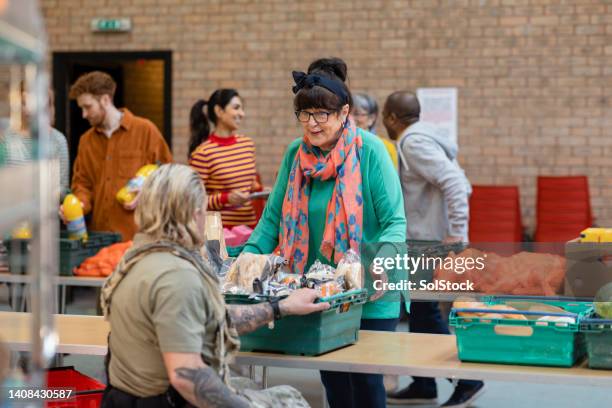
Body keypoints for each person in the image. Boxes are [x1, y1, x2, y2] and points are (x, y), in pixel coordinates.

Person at [242, 57, 407, 408]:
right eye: (305, 114)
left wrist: (380, 263)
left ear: (344, 112)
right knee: (333, 382)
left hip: (370, 290)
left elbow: (395, 222)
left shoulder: (371, 152)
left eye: (323, 114)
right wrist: (242, 263)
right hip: (318, 290)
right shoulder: (295, 154)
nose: (313, 124)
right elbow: (272, 221)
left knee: (366, 385)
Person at [100, 163, 328, 408]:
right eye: (203, 209)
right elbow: (187, 377)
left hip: (127, 398)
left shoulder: (137, 257)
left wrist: (281, 307)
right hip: (163, 401)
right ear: (193, 214)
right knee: (290, 400)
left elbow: (207, 319)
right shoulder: (175, 276)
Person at [382, 91, 484, 408]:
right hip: (425, 241)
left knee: (426, 315)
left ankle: (467, 380)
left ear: (391, 119)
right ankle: (424, 382)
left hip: (432, 243)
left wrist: (456, 235)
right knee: (419, 313)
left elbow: (454, 182)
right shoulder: (422, 138)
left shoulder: (413, 142)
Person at [66, 71, 172, 241]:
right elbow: (82, 184)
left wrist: (146, 191)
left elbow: (170, 175)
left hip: (138, 237)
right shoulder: (86, 141)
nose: (84, 115)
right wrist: (78, 206)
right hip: (98, 239)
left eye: (88, 107)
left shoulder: (145, 130)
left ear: (105, 100)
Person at [188, 90, 260, 228]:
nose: (242, 114)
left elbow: (250, 185)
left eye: (242, 109)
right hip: (218, 233)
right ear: (219, 111)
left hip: (250, 230)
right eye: (236, 108)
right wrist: (225, 198)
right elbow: (193, 200)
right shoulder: (203, 153)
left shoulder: (247, 144)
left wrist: (264, 191)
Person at [352, 92, 398, 170]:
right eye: (348, 113)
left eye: (356, 114)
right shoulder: (340, 145)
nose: (351, 118)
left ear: (371, 118)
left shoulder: (386, 147)